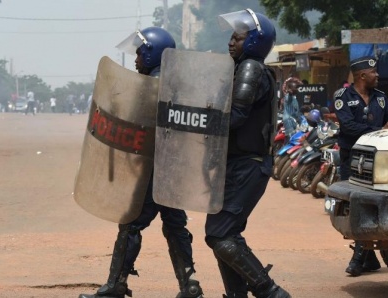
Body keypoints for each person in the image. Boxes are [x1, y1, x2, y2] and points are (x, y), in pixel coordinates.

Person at [79, 26, 203, 298]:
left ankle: (116, 284)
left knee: (131, 223)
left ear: (152, 53)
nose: (135, 60)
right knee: (174, 225)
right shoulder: (177, 85)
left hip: (154, 170)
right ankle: (190, 285)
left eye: (139, 53)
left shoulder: (153, 87)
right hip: (173, 170)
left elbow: (142, 129)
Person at [207, 9, 290, 298]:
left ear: (253, 42)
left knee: (218, 234)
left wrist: (198, 124)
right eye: (231, 37)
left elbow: (235, 116)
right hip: (238, 164)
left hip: (247, 166)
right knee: (225, 235)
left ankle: (270, 292)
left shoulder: (251, 69)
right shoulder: (241, 68)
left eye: (238, 38)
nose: (231, 42)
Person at [334, 56, 388, 277]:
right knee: (353, 206)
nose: (377, 75)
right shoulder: (342, 96)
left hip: (377, 158)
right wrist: (379, 128)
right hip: (352, 159)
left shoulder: (381, 98)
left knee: (370, 205)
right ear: (362, 76)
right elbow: (348, 127)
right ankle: (363, 256)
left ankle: (362, 256)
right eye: (374, 72)